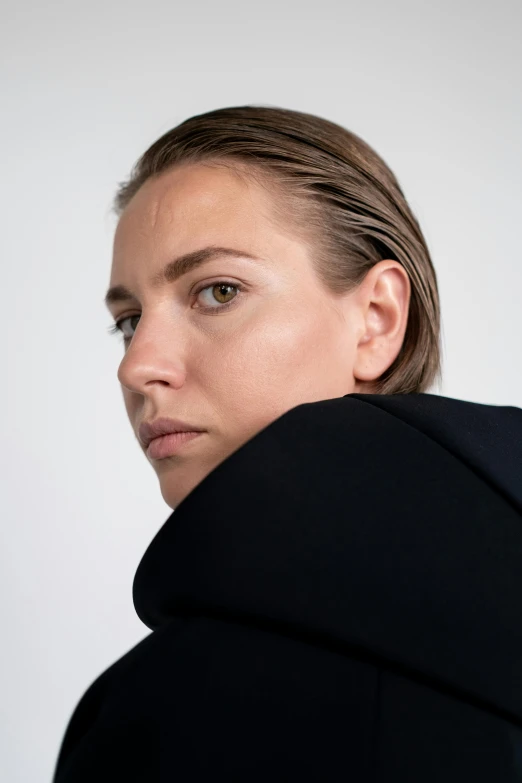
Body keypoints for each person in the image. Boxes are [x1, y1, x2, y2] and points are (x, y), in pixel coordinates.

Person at [51, 105, 522, 781]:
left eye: (217, 290)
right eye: (129, 322)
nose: (137, 365)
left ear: (376, 320)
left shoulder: (165, 711)